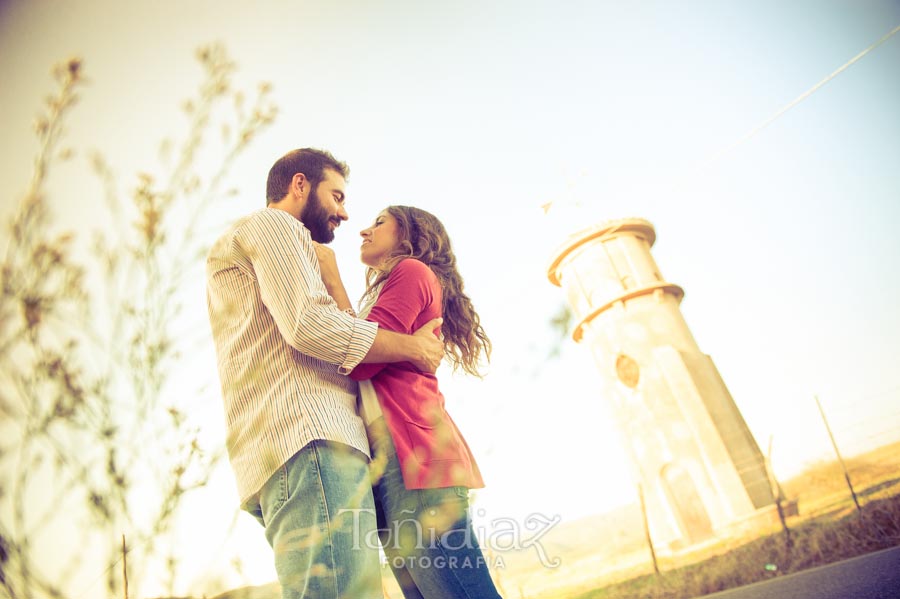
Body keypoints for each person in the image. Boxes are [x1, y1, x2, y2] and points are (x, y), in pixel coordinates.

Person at [205, 149, 444, 599]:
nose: (345, 212)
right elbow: (309, 326)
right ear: (300, 185)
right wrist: (413, 347)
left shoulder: (250, 244)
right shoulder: (275, 226)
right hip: (311, 440)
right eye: (336, 196)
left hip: (281, 453)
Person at [320, 205, 502, 598]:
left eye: (379, 222)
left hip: (415, 459)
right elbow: (362, 350)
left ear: (408, 234)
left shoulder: (412, 272)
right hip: (390, 464)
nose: (364, 230)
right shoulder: (388, 288)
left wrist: (332, 280)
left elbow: (360, 361)